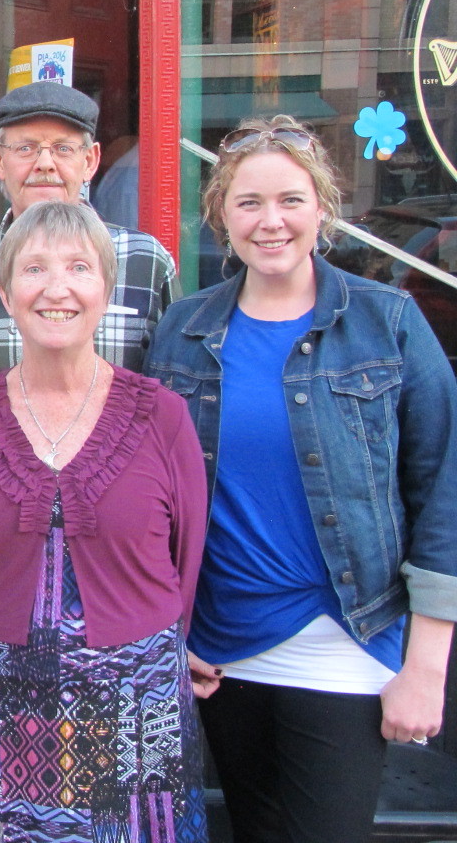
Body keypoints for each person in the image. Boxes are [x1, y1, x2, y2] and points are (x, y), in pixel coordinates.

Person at [145, 115, 457, 843]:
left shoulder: (389, 323)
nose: (271, 221)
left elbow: (444, 491)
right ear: (220, 214)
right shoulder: (184, 332)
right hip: (220, 652)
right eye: (248, 202)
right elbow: (156, 503)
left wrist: (427, 668)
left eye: (290, 199)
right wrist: (169, 633)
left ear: (323, 207)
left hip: (348, 647)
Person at [0, 200, 209, 843]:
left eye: (80, 267)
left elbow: (185, 558)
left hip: (136, 703)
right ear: (4, 292)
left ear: (106, 291)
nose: (58, 289)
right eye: (34, 269)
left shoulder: (162, 417)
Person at [0, 81, 175, 449]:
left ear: (89, 161)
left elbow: (172, 407)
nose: (44, 163)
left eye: (63, 148)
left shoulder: (144, 262)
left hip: (120, 496)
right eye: (25, 148)